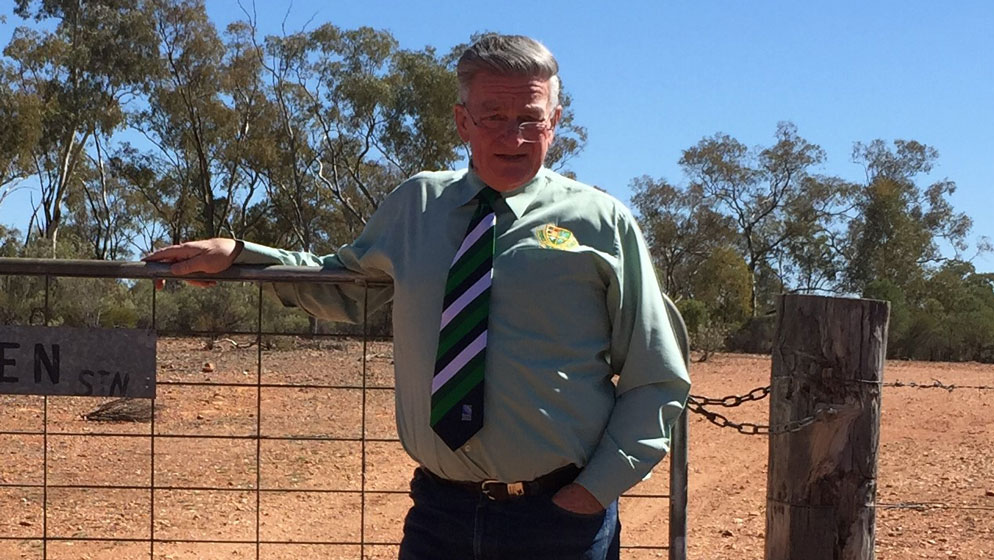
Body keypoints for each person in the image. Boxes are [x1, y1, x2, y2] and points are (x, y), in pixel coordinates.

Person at [145, 34, 690, 560]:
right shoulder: (417, 205)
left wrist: (589, 494)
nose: (514, 136)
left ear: (556, 121)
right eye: (494, 118)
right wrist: (239, 254)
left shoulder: (601, 222)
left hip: (560, 521)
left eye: (531, 119)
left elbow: (656, 375)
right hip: (439, 514)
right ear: (461, 122)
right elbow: (343, 285)